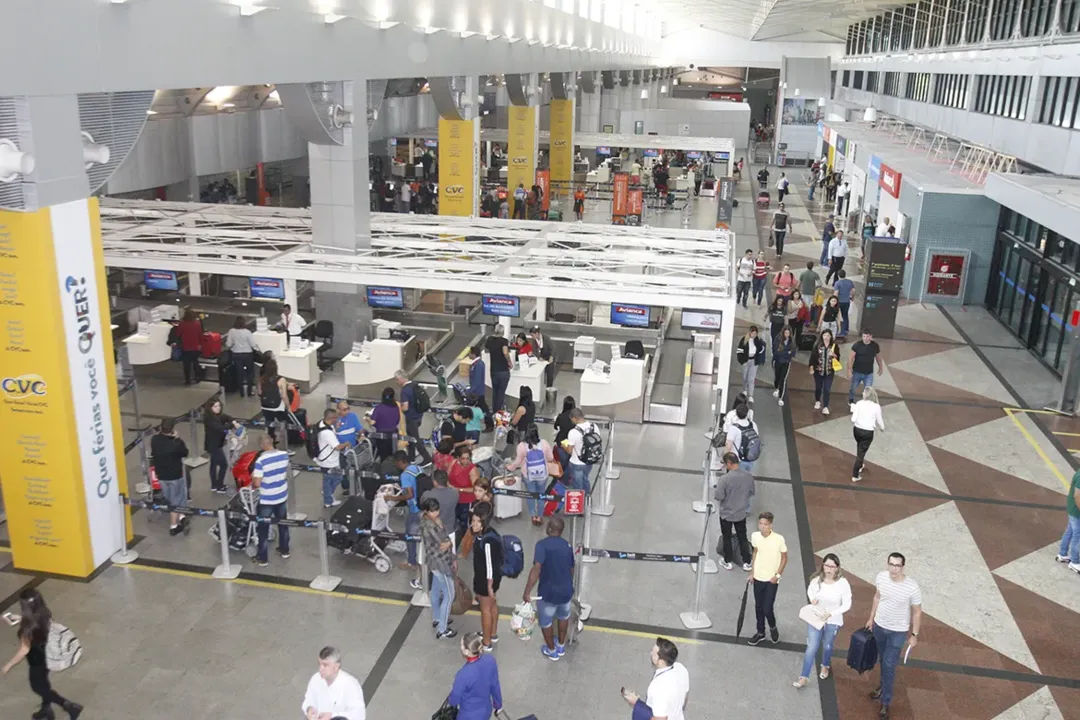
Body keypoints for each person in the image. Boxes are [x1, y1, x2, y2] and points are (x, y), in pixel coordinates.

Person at [1, 589, 83, 719]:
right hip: (47, 656)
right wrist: (19, 618)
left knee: (38, 687)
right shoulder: (45, 613)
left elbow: (24, 650)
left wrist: (8, 665)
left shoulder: (27, 629)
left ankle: (69, 706)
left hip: (36, 661)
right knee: (44, 683)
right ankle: (46, 710)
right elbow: (36, 620)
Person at [866, 553, 923, 719]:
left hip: (898, 632)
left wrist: (914, 634)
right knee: (883, 660)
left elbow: (917, 612)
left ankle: (885, 701)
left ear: (903, 567)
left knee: (889, 665)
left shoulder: (912, 587)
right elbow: (877, 597)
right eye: (891, 564)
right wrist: (871, 618)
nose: (893, 568)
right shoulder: (881, 578)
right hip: (879, 627)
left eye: (897, 565)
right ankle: (883, 687)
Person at [794, 554, 852, 689]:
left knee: (827, 645)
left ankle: (825, 665)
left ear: (837, 568)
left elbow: (847, 604)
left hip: (833, 619)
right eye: (826, 565)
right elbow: (811, 592)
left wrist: (831, 613)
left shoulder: (842, 583)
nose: (828, 569)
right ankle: (804, 676)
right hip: (816, 617)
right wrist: (813, 599)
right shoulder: (816, 581)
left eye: (832, 566)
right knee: (812, 647)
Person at [522, 516, 576, 661]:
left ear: (549, 529)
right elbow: (571, 568)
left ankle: (551, 650)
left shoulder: (541, 545)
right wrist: (568, 584)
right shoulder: (567, 545)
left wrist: (527, 591)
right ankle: (561, 645)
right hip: (565, 591)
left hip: (548, 593)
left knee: (546, 622)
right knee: (563, 616)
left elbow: (536, 569)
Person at [620, 637, 690, 720]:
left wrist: (637, 704)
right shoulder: (681, 668)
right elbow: (684, 699)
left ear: (661, 661)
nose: (650, 653)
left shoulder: (658, 687)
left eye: (653, 653)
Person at [747, 511, 788, 646]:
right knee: (758, 606)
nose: (762, 527)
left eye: (765, 524)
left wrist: (777, 575)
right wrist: (752, 572)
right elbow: (755, 552)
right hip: (758, 577)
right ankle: (760, 632)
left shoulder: (779, 539)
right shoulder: (755, 536)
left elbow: (784, 558)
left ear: (770, 525)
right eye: (760, 523)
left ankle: (772, 627)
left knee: (767, 607)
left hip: (771, 579)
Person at [420, 497, 458, 639]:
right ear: (426, 511)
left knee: (435, 590)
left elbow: (445, 542)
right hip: (441, 563)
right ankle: (442, 629)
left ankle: (437, 618)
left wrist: (447, 543)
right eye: (433, 511)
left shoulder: (427, 521)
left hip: (433, 562)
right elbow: (443, 542)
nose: (436, 513)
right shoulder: (430, 525)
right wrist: (448, 542)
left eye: (437, 510)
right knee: (449, 594)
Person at [251, 432, 291, 567]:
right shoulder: (284, 455)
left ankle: (263, 558)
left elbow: (256, 483)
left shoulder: (260, 461)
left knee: (263, 528)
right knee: (283, 523)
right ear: (272, 441)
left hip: (267, 498)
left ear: (262, 445)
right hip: (282, 494)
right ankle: (284, 550)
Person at [386, 450, 423, 586]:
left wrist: (393, 498)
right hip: (423, 506)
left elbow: (409, 495)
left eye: (397, 462)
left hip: (415, 509)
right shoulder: (417, 467)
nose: (396, 465)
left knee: (410, 535)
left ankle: (412, 562)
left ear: (401, 462)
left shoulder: (405, 475)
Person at [448, 632, 503, 720]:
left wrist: (451, 701)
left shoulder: (463, 674)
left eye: (461, 645)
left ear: (466, 651)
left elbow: (455, 698)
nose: (460, 647)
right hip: (485, 711)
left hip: (468, 716)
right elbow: (495, 685)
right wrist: (498, 704)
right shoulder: (490, 660)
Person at [470, 502, 503, 651]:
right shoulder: (487, 534)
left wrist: (489, 587)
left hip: (486, 580)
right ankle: (493, 633)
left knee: (485, 610)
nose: (474, 524)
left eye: (477, 521)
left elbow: (490, 565)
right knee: (492, 605)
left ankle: (486, 642)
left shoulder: (488, 540)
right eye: (473, 520)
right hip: (487, 578)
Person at [714, 452, 755, 571]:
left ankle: (728, 561)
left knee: (727, 537)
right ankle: (747, 562)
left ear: (729, 463)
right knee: (742, 536)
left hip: (726, 514)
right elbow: (752, 492)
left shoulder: (724, 479)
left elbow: (719, 496)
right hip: (741, 513)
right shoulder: (748, 476)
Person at [507, 423, 554, 525]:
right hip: (542, 475)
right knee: (541, 495)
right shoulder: (544, 443)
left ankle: (533, 515)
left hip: (528, 475)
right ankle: (540, 516)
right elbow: (550, 458)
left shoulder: (522, 446)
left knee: (530, 495)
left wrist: (510, 467)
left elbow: (517, 462)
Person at [301, 646, 366, 720]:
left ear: (336, 667)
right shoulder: (315, 679)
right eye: (319, 664)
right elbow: (308, 700)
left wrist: (332, 716)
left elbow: (358, 714)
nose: (320, 669)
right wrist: (309, 708)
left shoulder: (350, 685)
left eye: (325, 665)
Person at [151, 417, 190, 535]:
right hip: (175, 475)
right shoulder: (175, 443)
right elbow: (185, 452)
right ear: (172, 429)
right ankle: (174, 526)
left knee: (172, 496)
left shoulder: (154, 439)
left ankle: (182, 515)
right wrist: (177, 439)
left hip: (161, 475)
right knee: (176, 500)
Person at [395, 370, 432, 465]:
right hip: (419, 416)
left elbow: (405, 407)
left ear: (402, 378)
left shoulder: (405, 390)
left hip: (411, 418)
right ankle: (411, 458)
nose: (397, 382)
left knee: (415, 439)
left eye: (397, 379)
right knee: (410, 438)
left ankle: (427, 458)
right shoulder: (415, 385)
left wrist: (400, 408)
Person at [203, 398, 239, 494]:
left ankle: (214, 485)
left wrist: (233, 420)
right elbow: (220, 428)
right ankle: (219, 486)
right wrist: (232, 424)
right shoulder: (209, 419)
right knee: (223, 465)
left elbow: (226, 417)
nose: (218, 408)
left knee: (213, 465)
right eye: (215, 406)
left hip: (214, 444)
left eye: (219, 406)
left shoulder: (216, 416)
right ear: (210, 407)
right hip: (214, 445)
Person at [851, 386, 886, 482]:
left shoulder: (858, 404)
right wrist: (882, 428)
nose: (862, 393)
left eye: (864, 392)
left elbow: (853, 419)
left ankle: (860, 464)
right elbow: (879, 420)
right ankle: (855, 474)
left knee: (860, 447)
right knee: (861, 453)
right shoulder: (876, 407)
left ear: (867, 395)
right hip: (868, 432)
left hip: (857, 430)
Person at [315, 408, 347, 509]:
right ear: (331, 418)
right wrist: (346, 443)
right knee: (336, 478)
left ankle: (327, 493)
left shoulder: (322, 424)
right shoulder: (327, 433)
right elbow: (337, 447)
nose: (337, 419)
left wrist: (335, 429)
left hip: (324, 458)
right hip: (329, 461)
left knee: (329, 479)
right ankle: (328, 499)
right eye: (336, 417)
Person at [422, 469, 460, 549]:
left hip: (433, 531)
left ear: (435, 482)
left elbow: (423, 507)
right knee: (451, 555)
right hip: (450, 530)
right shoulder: (455, 493)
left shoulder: (427, 495)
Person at [449, 445, 481, 538]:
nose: (466, 461)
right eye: (463, 458)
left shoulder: (472, 469)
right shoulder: (453, 462)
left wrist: (459, 489)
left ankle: (467, 541)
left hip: (466, 501)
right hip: (454, 499)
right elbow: (447, 476)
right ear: (458, 458)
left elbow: (476, 488)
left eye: (468, 458)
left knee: (466, 523)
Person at [258, 358, 289, 448]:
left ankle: (271, 444)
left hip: (265, 406)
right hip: (278, 406)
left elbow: (259, 392)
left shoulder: (262, 379)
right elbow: (284, 396)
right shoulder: (281, 380)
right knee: (284, 424)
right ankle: (285, 446)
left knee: (270, 426)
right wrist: (289, 407)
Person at [849, 328, 884, 408]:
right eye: (864, 336)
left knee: (868, 390)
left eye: (867, 336)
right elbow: (851, 357)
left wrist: (880, 367)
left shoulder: (874, 346)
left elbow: (878, 357)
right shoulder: (857, 345)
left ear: (871, 337)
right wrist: (849, 369)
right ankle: (850, 400)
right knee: (853, 388)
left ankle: (865, 403)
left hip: (869, 373)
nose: (865, 338)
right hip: (857, 371)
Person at [565, 408, 598, 493]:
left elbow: (569, 451)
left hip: (577, 462)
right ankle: (587, 499)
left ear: (574, 418)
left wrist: (564, 445)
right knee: (585, 479)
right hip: (589, 460)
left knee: (577, 485)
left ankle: (579, 503)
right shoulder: (594, 426)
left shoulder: (573, 432)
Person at [225, 315, 259, 397]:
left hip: (236, 354)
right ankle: (249, 391)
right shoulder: (247, 332)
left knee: (239, 373)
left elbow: (228, 344)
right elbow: (253, 344)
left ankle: (241, 392)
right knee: (250, 373)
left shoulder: (231, 331)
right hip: (247, 354)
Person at [364, 387, 400, 461]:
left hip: (382, 436)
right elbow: (397, 420)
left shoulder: (379, 407)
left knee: (384, 457)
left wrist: (367, 419)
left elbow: (372, 422)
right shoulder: (396, 406)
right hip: (394, 434)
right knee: (393, 455)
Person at [1055, 468, 1080, 573]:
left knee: (1070, 531)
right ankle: (1074, 562)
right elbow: (1077, 496)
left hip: (1073, 508)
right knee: (1077, 535)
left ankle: (1062, 554)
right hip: (1076, 510)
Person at [809, 329, 840, 415]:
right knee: (818, 388)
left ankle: (825, 406)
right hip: (818, 371)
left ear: (831, 337)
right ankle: (818, 400)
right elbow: (812, 357)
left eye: (828, 336)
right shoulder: (817, 345)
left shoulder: (834, 346)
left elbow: (838, 358)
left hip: (829, 371)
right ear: (822, 336)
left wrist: (834, 355)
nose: (826, 337)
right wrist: (811, 367)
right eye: (824, 335)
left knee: (827, 389)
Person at [485, 325, 513, 412]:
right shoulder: (504, 341)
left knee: (495, 392)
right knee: (501, 393)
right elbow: (505, 352)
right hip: (503, 370)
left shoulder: (489, 339)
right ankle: (498, 412)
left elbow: (486, 350)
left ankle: (494, 411)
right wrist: (509, 361)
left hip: (494, 370)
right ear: (502, 332)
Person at [736, 326, 766, 404]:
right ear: (750, 332)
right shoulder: (744, 340)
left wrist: (759, 344)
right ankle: (745, 389)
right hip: (746, 361)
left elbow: (761, 349)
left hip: (754, 361)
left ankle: (751, 395)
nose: (754, 335)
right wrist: (742, 361)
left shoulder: (757, 341)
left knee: (751, 378)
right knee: (745, 376)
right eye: (752, 333)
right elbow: (739, 351)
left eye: (755, 333)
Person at [725, 404, 759, 472]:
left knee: (735, 480)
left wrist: (724, 459)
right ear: (747, 414)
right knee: (745, 478)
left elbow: (728, 446)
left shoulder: (733, 428)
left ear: (736, 414)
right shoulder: (753, 424)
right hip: (750, 458)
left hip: (737, 460)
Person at [466, 345, 493, 431]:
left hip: (478, 392)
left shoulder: (478, 365)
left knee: (484, 409)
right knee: (483, 409)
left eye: (469, 353)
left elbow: (477, 381)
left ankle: (490, 424)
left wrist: (469, 391)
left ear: (474, 354)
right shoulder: (476, 364)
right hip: (477, 391)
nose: (468, 355)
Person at [176, 308, 203, 385]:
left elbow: (178, 334)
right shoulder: (197, 323)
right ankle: (197, 377)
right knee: (195, 363)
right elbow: (200, 335)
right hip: (195, 346)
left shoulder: (182, 323)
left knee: (186, 365)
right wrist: (200, 344)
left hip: (186, 347)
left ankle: (188, 380)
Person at [772, 326, 796, 407]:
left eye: (788, 333)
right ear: (783, 333)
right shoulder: (777, 339)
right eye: (785, 333)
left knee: (783, 380)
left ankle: (781, 398)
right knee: (777, 377)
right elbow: (776, 352)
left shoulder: (791, 341)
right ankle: (777, 388)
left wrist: (783, 352)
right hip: (778, 361)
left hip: (786, 363)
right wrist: (787, 352)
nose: (787, 335)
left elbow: (793, 353)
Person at [553, 395, 577, 472]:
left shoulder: (561, 417)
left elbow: (556, 426)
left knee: (563, 464)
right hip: (573, 444)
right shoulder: (576, 418)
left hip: (563, 442)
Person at [833, 270, 856, 337]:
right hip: (847, 301)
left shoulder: (837, 283)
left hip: (840, 302)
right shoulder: (849, 282)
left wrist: (834, 300)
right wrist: (852, 297)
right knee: (845, 315)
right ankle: (846, 329)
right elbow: (853, 291)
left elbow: (836, 292)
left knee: (839, 316)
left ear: (838, 275)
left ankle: (840, 331)